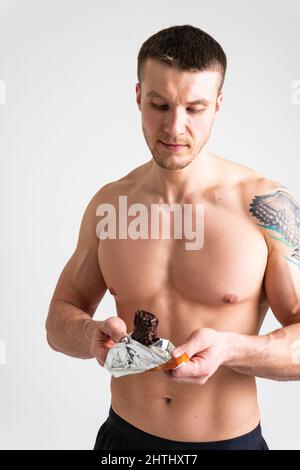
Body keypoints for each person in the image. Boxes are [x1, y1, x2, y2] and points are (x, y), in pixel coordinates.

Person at [46, 24, 300, 450]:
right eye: (159, 104)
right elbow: (58, 320)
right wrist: (89, 334)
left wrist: (230, 350)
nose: (175, 128)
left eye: (195, 108)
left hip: (227, 446)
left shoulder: (268, 208)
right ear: (138, 98)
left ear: (218, 105)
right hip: (122, 441)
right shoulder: (112, 204)